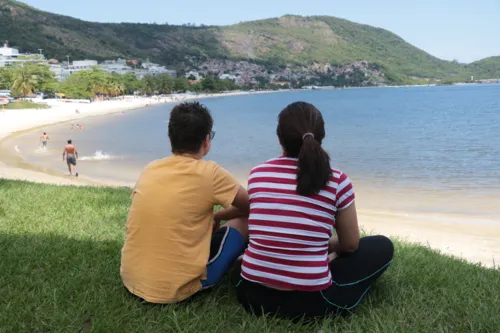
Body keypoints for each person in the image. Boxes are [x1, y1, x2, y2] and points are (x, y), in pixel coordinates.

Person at [232, 102, 394, 319]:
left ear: (280, 139)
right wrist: (324, 246)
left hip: (251, 295)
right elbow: (350, 244)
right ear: (321, 136)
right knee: (382, 246)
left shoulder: (257, 174)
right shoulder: (337, 179)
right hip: (311, 304)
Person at [120, 101, 249, 304]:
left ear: (171, 137)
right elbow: (251, 206)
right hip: (177, 289)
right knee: (243, 222)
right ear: (206, 140)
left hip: (132, 280)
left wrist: (214, 217)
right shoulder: (210, 173)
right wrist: (220, 216)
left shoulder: (151, 168)